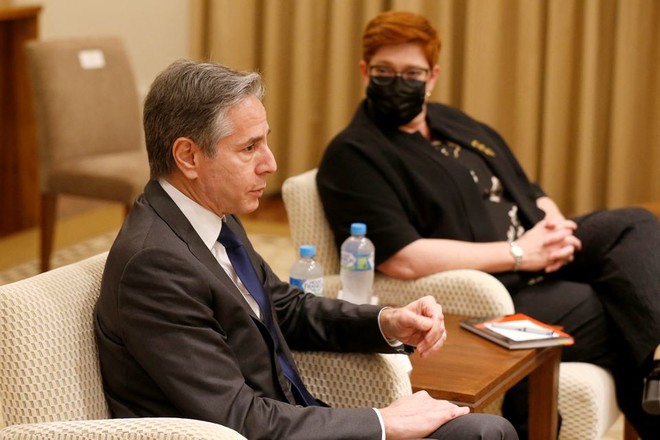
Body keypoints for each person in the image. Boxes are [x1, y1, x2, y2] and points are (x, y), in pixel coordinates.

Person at [93, 59, 518, 440]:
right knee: (483, 432)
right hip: (254, 432)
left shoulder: (212, 215)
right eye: (249, 148)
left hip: (296, 419)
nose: (270, 163)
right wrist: (384, 422)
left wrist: (387, 322)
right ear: (188, 156)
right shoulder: (155, 265)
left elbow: (284, 308)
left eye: (265, 142)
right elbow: (238, 419)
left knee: (483, 430)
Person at [316, 10, 660, 440]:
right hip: (501, 285)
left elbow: (527, 188)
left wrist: (553, 226)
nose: (398, 83)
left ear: (433, 75)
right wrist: (520, 253)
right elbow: (401, 257)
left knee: (635, 223)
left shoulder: (451, 121)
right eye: (385, 72)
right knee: (613, 307)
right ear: (365, 71)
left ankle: (659, 362)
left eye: (412, 73)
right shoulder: (354, 154)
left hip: (536, 248)